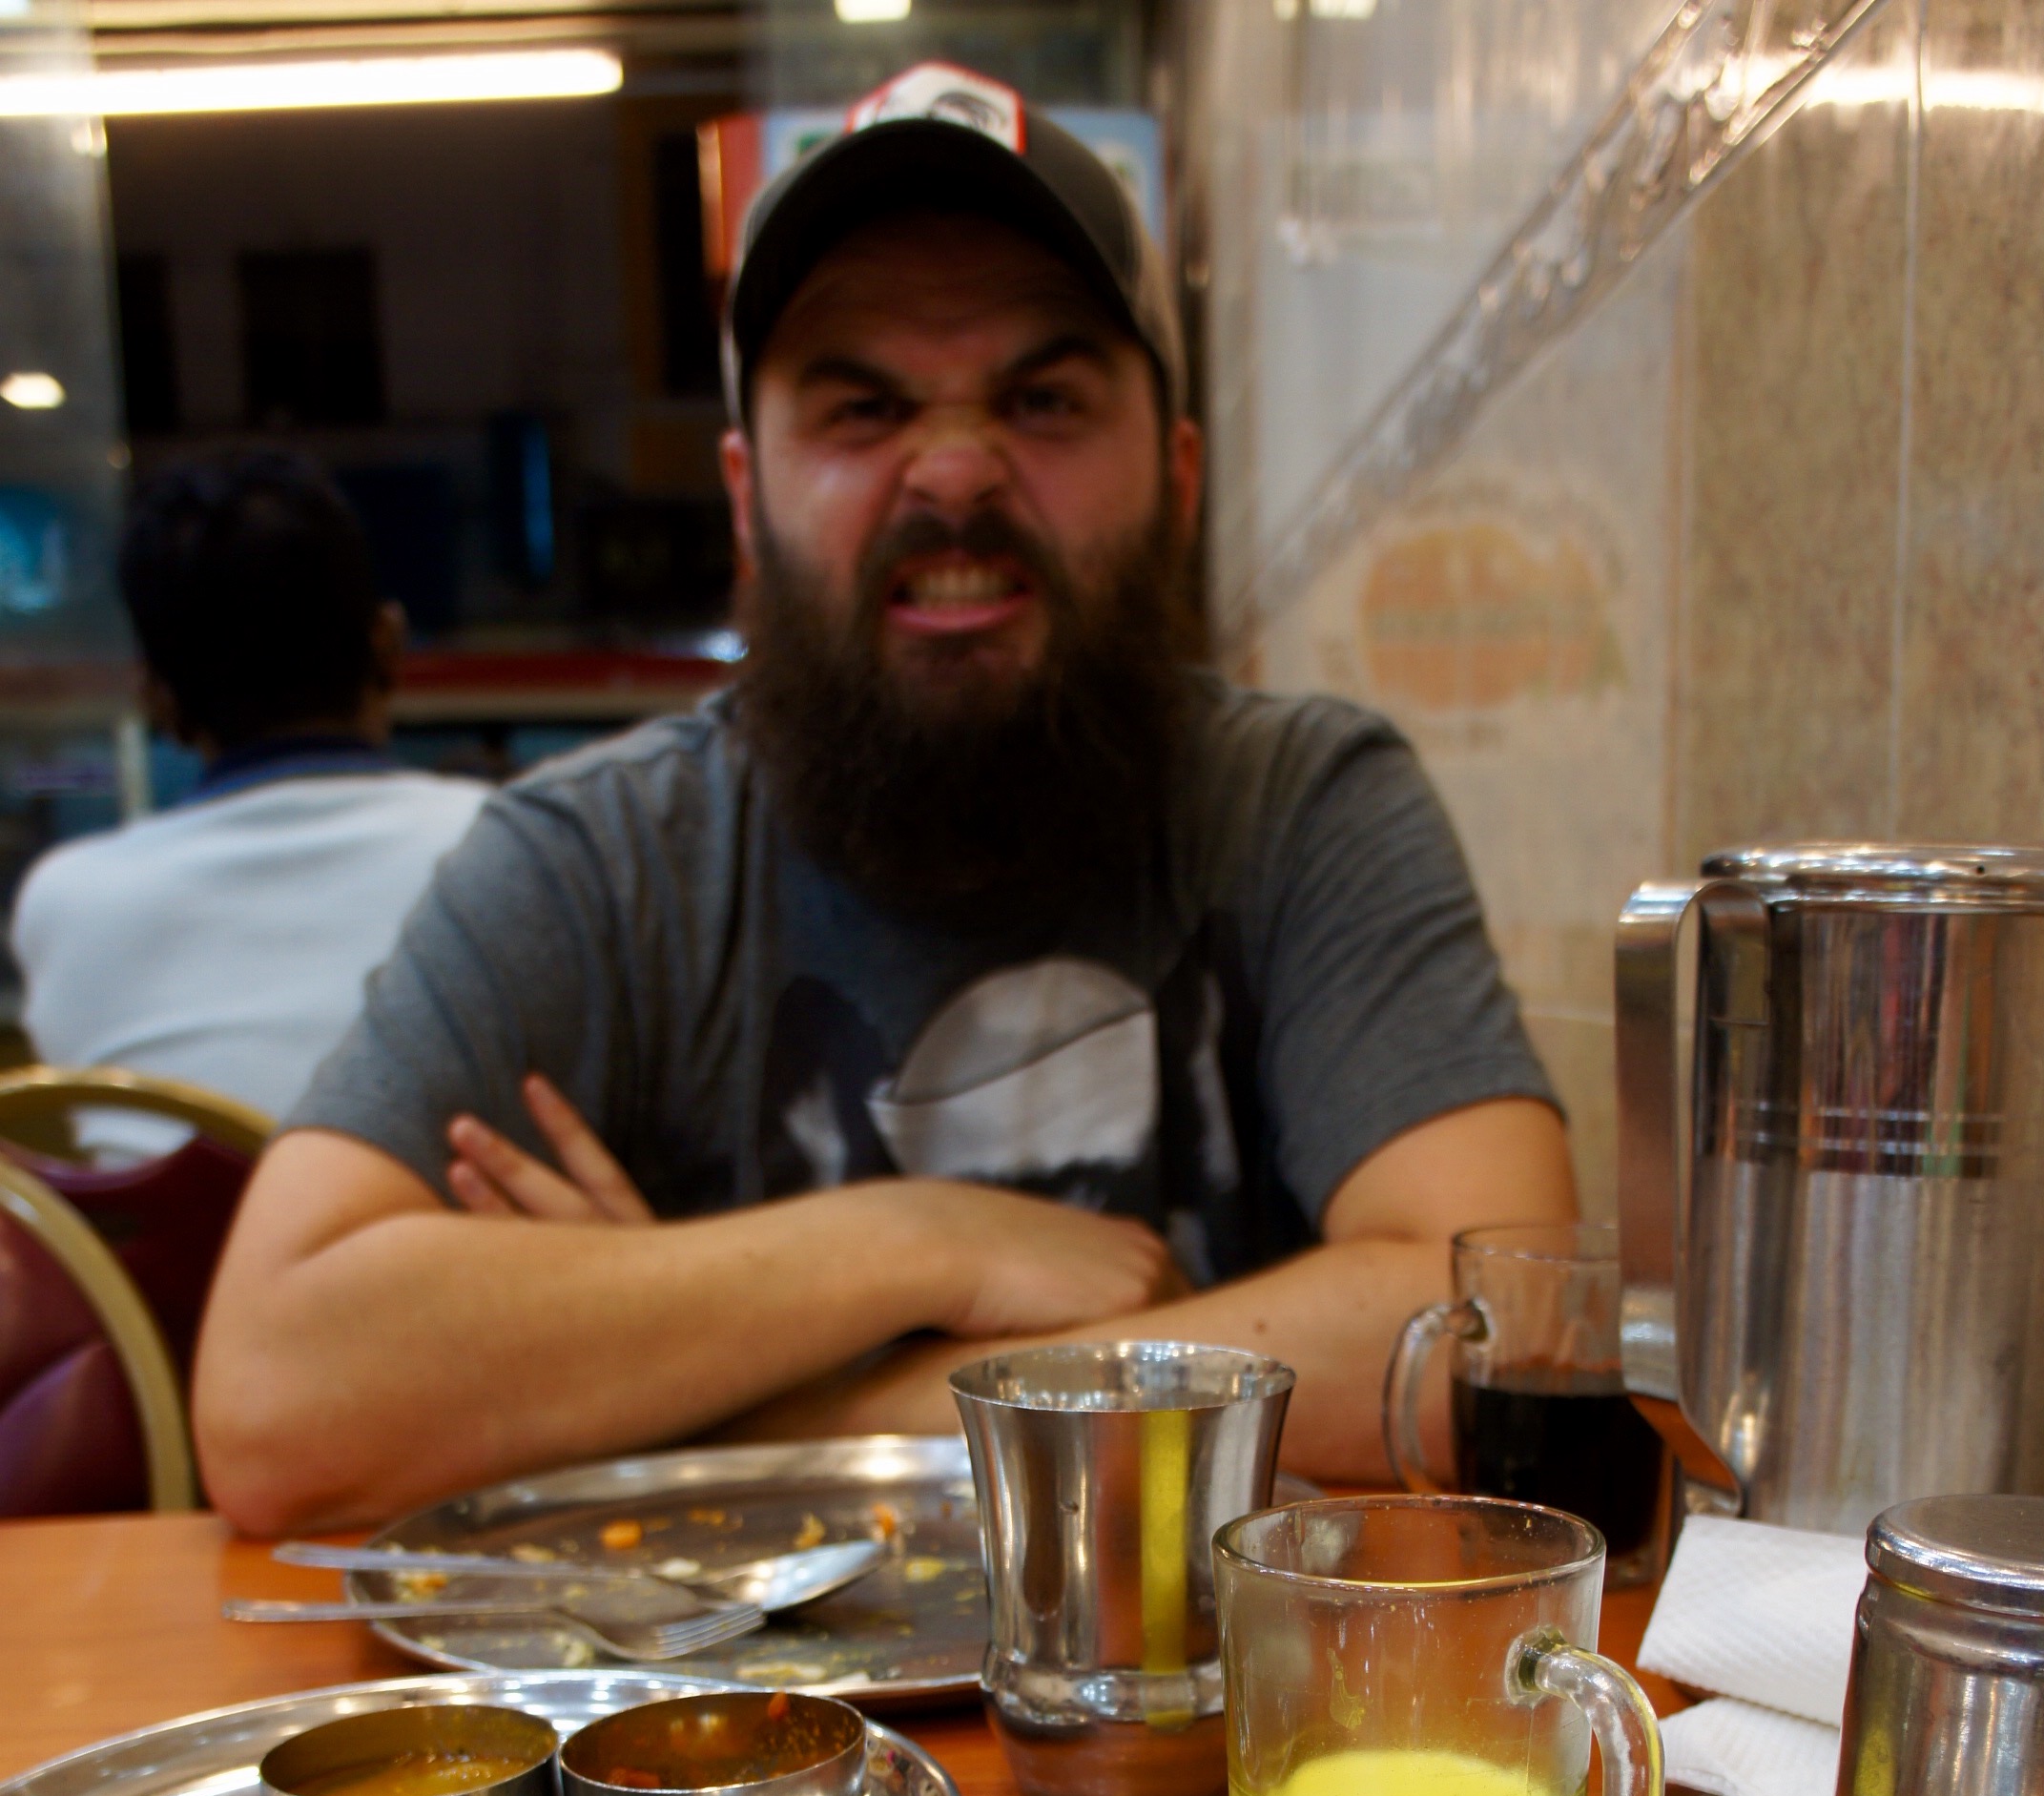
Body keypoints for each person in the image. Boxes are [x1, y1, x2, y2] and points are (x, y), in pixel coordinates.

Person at [195, 63, 1575, 1531]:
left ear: (1178, 478)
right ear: (747, 495)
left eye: (1043, 400)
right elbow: (278, 1405)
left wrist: (756, 1411)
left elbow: (1507, 1340)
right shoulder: (597, 864)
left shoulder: (1302, 805)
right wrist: (917, 1241)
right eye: (862, 408)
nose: (957, 473)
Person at [9, 451, 485, 1125]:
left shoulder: (65, 898)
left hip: (184, 1205)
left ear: (155, 698)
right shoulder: (509, 847)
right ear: (389, 644)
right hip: (431, 1201)